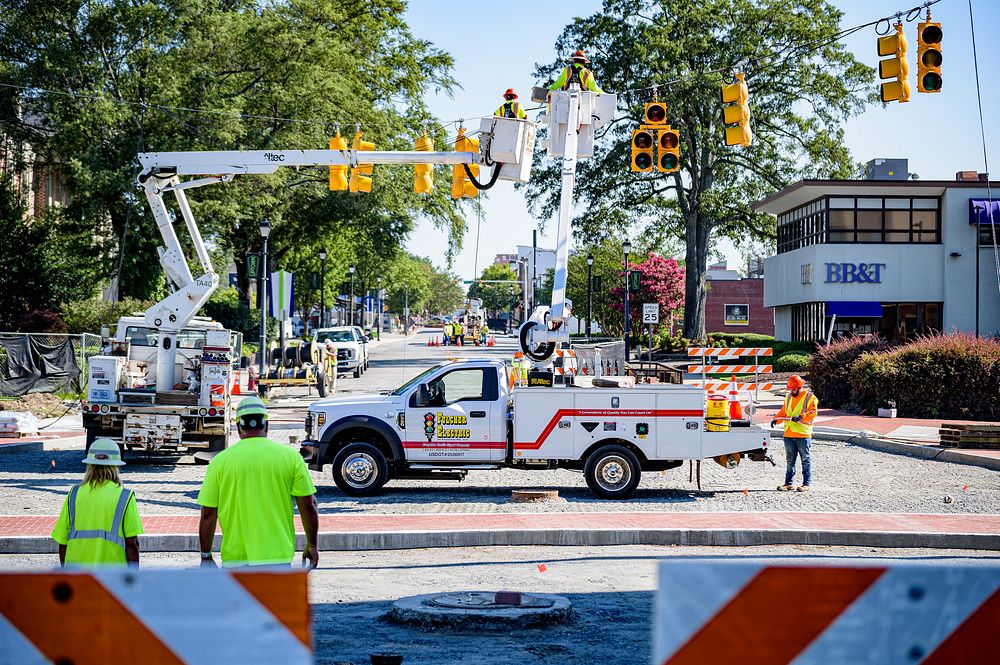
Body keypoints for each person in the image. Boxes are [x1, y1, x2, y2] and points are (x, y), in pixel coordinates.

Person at [197, 396, 319, 567]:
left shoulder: (220, 462)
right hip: (278, 559)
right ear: (266, 425)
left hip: (235, 561)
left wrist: (206, 556)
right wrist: (312, 545)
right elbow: (308, 505)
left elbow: (208, 514)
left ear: (239, 428)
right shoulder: (291, 458)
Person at [51, 438, 143, 566]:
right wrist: (132, 579)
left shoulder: (74, 494)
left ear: (89, 465)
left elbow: (63, 542)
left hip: (77, 577)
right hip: (111, 577)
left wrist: (67, 574)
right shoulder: (124, 497)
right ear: (116, 466)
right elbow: (131, 543)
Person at [771, 375, 819, 492]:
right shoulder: (788, 397)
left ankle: (806, 484)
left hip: (803, 434)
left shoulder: (810, 397)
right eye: (790, 389)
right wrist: (776, 419)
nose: (791, 391)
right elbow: (784, 411)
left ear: (799, 387)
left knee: (805, 460)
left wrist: (801, 417)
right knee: (790, 460)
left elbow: (813, 412)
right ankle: (788, 483)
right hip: (788, 434)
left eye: (794, 389)